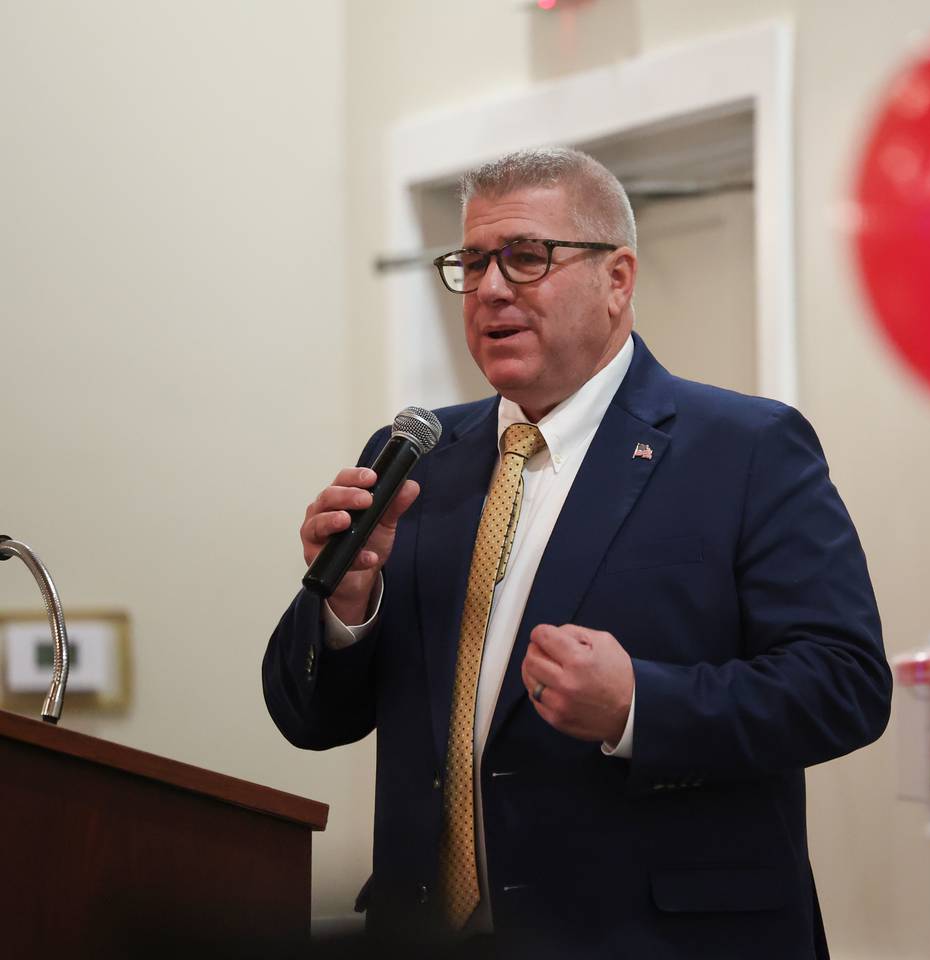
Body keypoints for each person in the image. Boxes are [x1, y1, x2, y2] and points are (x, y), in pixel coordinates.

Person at [262, 147, 890, 958]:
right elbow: (308, 717)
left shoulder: (746, 449)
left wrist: (641, 707)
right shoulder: (417, 455)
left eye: (526, 257)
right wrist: (346, 603)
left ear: (617, 278)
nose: (490, 288)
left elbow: (845, 684)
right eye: (472, 262)